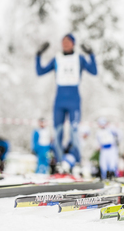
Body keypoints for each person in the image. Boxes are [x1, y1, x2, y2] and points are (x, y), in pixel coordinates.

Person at [35, 34, 97, 173]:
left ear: (73, 43)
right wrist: (38, 55)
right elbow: (40, 71)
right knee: (58, 133)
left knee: (75, 132)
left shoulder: (79, 58)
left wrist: (91, 54)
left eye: (68, 41)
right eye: (63, 41)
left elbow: (94, 71)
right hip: (59, 100)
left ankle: (75, 163)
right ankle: (59, 163)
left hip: (74, 100)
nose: (65, 44)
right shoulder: (57, 58)